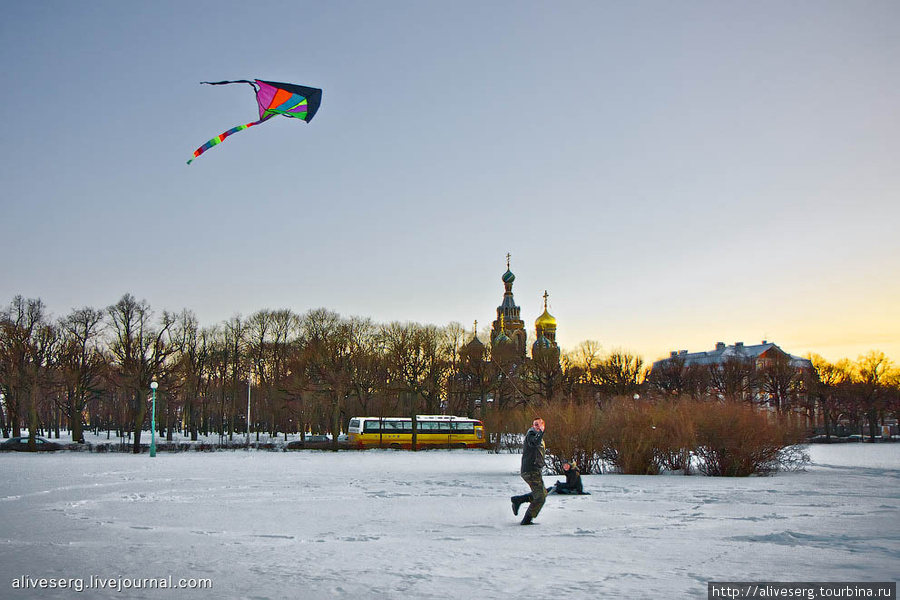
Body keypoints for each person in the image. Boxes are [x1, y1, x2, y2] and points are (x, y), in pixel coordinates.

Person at [510, 418, 547, 525]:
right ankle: (527, 520)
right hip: (530, 470)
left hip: (534, 470)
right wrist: (541, 432)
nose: (537, 426)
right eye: (535, 424)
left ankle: (519, 500)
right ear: (533, 426)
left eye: (539, 424)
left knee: (542, 493)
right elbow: (534, 443)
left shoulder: (537, 436)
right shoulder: (532, 434)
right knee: (540, 497)